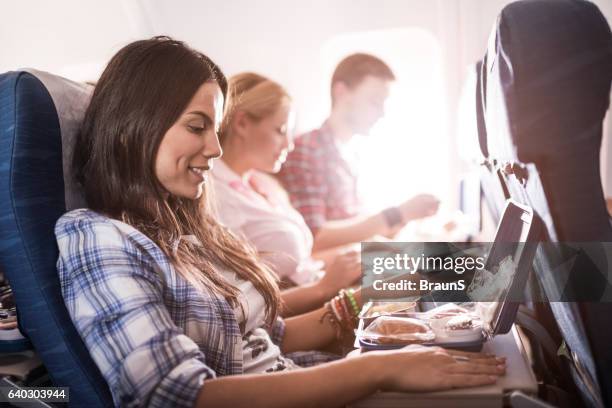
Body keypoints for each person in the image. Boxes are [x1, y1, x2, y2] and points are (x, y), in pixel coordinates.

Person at [56, 36, 505, 408]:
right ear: (133, 126)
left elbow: (264, 335)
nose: (215, 147)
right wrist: (377, 366)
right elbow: (175, 395)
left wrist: (362, 300)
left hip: (303, 355)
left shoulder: (191, 225)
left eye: (214, 128)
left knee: (515, 299)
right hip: (298, 369)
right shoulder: (98, 235)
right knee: (508, 322)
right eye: (198, 127)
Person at [212, 72, 360, 315]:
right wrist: (325, 287)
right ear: (241, 124)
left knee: (424, 266)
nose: (289, 145)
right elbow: (244, 311)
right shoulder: (216, 195)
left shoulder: (264, 183)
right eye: (280, 130)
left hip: (319, 285)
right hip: (306, 308)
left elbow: (302, 261)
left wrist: (363, 253)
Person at [278, 53, 440, 252]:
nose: (382, 113)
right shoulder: (306, 150)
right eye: (374, 102)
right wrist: (397, 214)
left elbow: (357, 227)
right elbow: (315, 236)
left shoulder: (352, 155)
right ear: (341, 92)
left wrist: (407, 218)